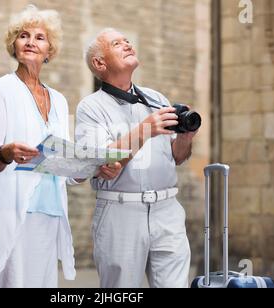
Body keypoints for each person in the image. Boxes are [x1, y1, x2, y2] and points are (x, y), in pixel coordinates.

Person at [0, 5, 113, 288]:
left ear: (50, 50)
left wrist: (93, 168)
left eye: (39, 37)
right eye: (24, 35)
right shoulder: (2, 89)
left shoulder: (58, 100)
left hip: (50, 213)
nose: (31, 41)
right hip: (12, 212)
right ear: (14, 44)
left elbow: (66, 168)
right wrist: (5, 153)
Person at [75, 28, 199, 288]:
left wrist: (187, 137)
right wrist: (145, 129)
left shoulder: (156, 99)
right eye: (117, 43)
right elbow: (100, 163)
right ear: (100, 63)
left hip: (167, 209)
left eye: (127, 40)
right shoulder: (91, 108)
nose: (127, 44)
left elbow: (176, 157)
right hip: (120, 211)